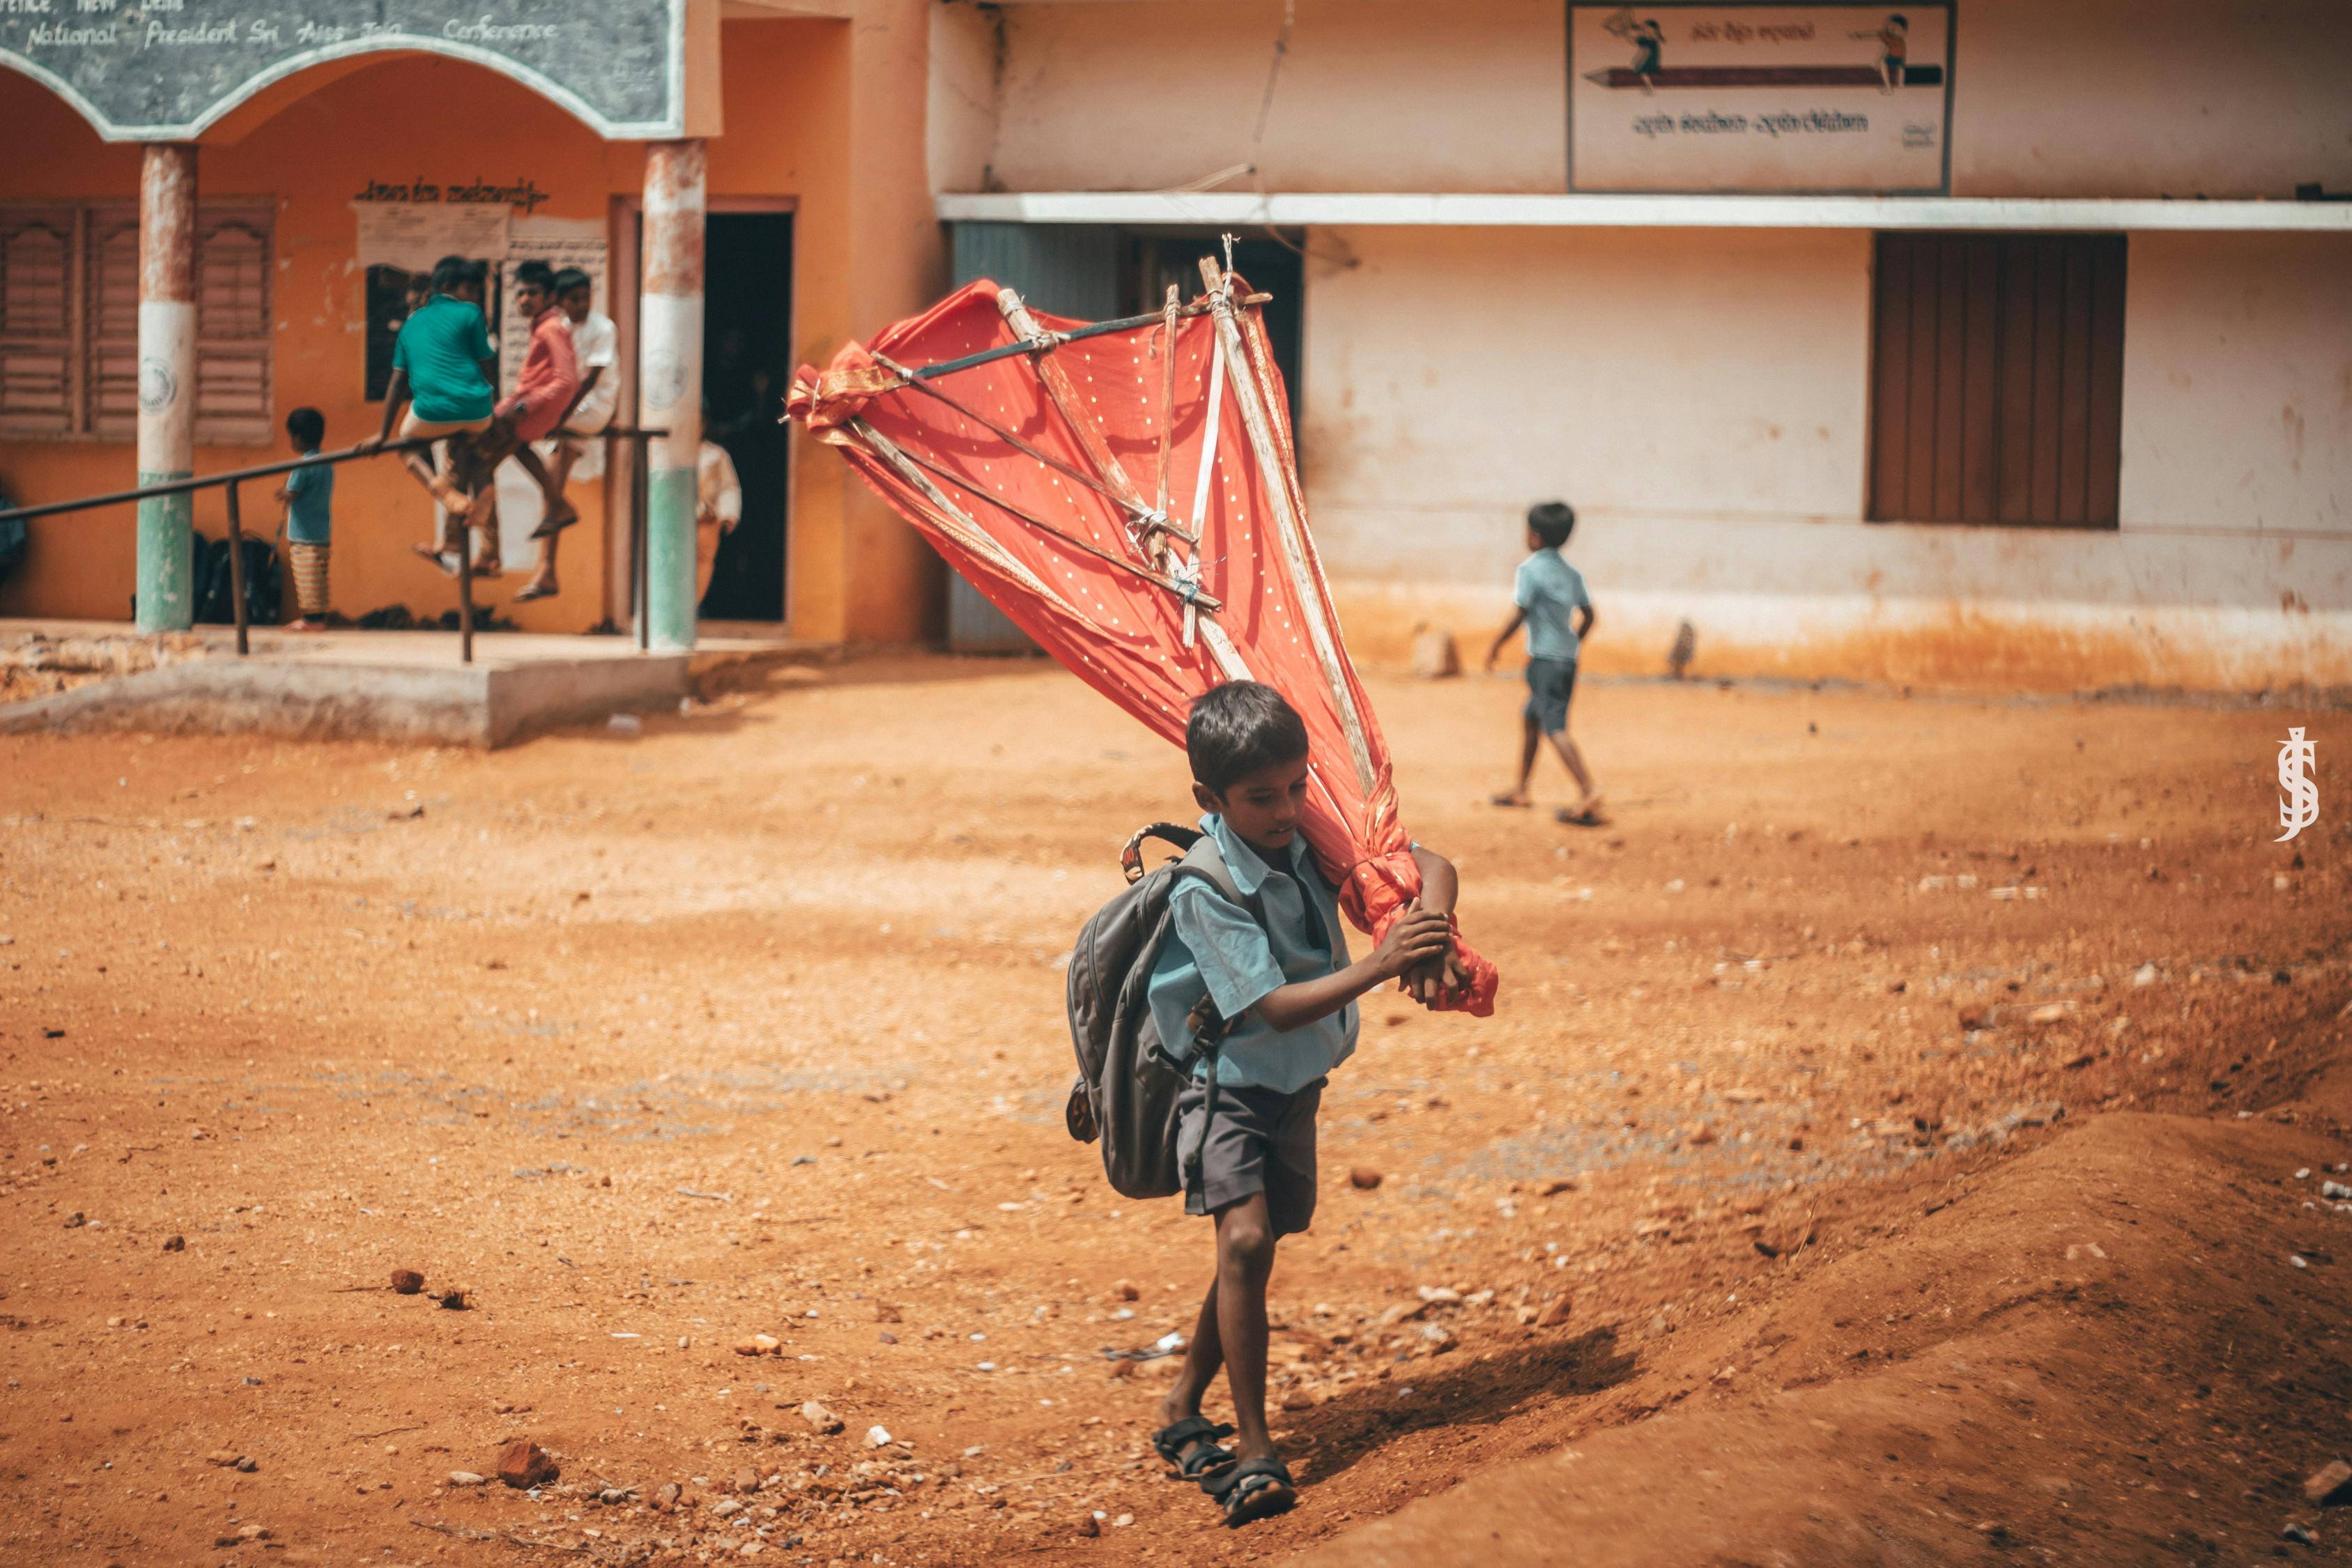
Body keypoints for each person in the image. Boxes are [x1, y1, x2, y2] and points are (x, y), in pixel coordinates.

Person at [1146, 682, 1463, 1528]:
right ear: (1209, 800)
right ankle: (1253, 1448)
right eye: (1263, 797)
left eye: (1296, 785)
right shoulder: (1203, 885)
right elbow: (1269, 1008)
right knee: (1245, 1240)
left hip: (1296, 1085)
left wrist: (1429, 930)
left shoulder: (1312, 833)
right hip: (1225, 1086)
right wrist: (1387, 963)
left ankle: (1181, 1405)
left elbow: (1433, 865)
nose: (1287, 808)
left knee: (1255, 1249)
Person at [364, 255, 498, 572]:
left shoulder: (413, 323)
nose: (477, 297)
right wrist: (491, 409)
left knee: (407, 445)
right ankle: (481, 498)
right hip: (477, 410)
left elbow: (398, 382)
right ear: (449, 287)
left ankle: (444, 492)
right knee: (478, 447)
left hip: (430, 415)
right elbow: (486, 366)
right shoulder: (472, 315)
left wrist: (383, 435)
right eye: (472, 289)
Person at [1484, 500, 1604, 824]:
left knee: (1555, 727)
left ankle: (1588, 790)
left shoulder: (1530, 570)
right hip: (1566, 659)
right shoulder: (1572, 573)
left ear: (1534, 536)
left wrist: (1496, 644)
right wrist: (1572, 643)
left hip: (1544, 661)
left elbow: (1519, 612)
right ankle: (1521, 789)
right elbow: (1590, 615)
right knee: (1531, 717)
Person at [516, 268, 615, 602]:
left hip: (592, 407)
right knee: (553, 485)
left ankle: (548, 549)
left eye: (586, 298)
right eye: (574, 299)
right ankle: (547, 571)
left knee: (518, 440)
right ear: (559, 300)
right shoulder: (561, 328)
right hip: (568, 412)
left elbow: (586, 381)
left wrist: (555, 419)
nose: (582, 305)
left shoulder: (603, 328)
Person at [276, 406, 334, 631]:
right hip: (322, 532)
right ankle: (319, 617)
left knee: (306, 578)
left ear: (298, 438)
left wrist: (282, 493)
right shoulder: (327, 462)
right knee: (319, 578)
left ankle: (311, 620)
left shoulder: (303, 465)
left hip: (303, 534)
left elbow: (293, 492)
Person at [695, 436, 743, 608]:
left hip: (707, 518)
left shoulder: (715, 454)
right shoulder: (669, 449)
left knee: (703, 561)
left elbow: (728, 486)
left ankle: (694, 605)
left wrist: (728, 515)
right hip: (678, 518)